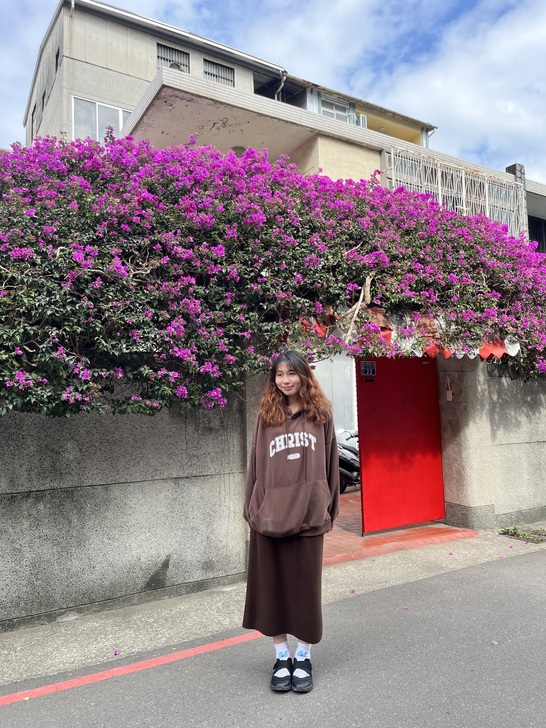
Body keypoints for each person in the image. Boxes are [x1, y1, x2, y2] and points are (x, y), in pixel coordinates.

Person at [243, 350, 339, 693]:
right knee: (272, 589)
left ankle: (304, 656)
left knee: (305, 590)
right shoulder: (266, 415)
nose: (285, 380)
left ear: (304, 376)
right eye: (279, 374)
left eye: (291, 373)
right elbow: (255, 464)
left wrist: (327, 506)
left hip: (309, 515)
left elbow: (331, 463)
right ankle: (281, 656)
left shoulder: (320, 414)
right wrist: (253, 508)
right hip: (269, 515)